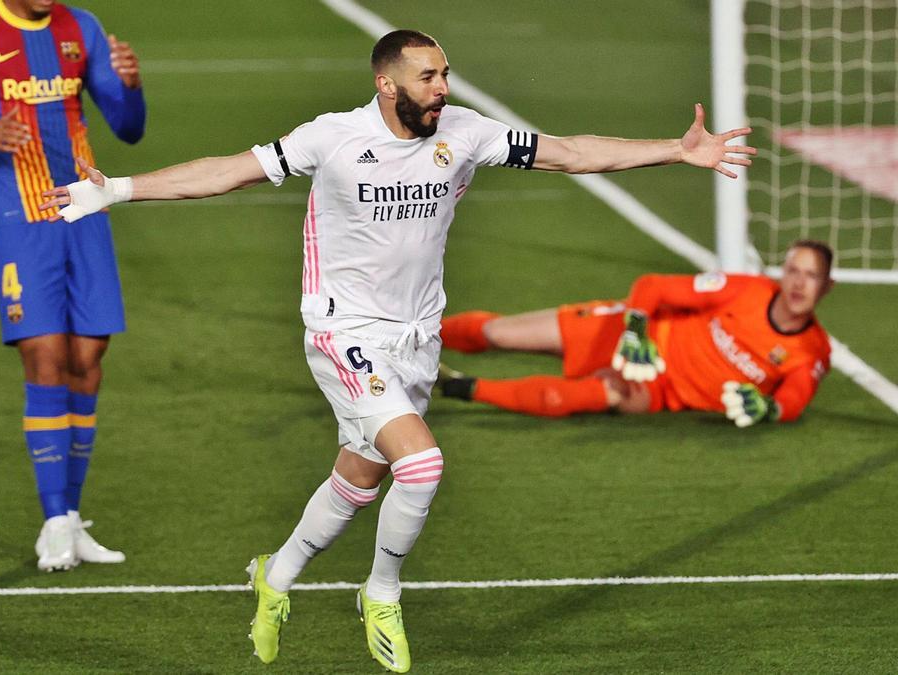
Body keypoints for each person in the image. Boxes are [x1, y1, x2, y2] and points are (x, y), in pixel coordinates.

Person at [38, 29, 755, 672]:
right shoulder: (333, 138)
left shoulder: (465, 132)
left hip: (417, 341)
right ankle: (380, 592)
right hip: (343, 333)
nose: (442, 88)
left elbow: (568, 154)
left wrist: (674, 149)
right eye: (428, 78)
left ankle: (275, 576)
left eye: (444, 74)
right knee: (423, 461)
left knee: (360, 477)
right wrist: (121, 191)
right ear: (388, 84)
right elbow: (229, 170)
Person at [0, 0, 145, 572]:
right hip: (17, 217)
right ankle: (54, 520)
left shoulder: (80, 26)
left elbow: (129, 130)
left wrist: (132, 88)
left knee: (88, 359)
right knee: (46, 356)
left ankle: (71, 515)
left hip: (84, 208)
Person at [437, 240, 833, 427]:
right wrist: (636, 329)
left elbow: (793, 399)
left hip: (659, 388)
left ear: (826, 287)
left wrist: (769, 410)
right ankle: (414, 337)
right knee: (497, 333)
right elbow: (654, 286)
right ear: (782, 274)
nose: (799, 284)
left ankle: (455, 386)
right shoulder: (746, 289)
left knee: (590, 395)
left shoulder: (812, 351)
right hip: (626, 331)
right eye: (794, 271)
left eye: (811, 276)